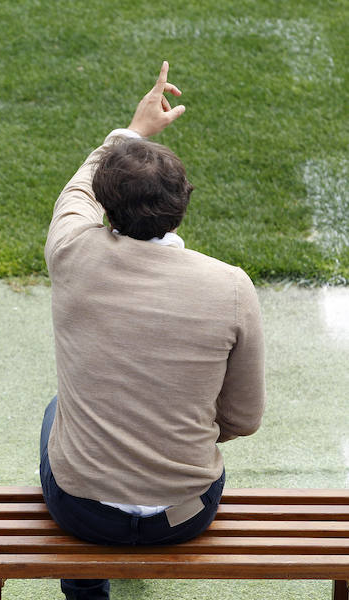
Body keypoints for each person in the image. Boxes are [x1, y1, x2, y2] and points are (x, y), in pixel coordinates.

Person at [40, 62, 266, 600]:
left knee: (57, 411)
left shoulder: (72, 251)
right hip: (184, 515)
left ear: (105, 205)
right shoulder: (231, 287)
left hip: (83, 512)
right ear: (182, 202)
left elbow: (76, 192)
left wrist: (132, 133)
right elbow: (243, 419)